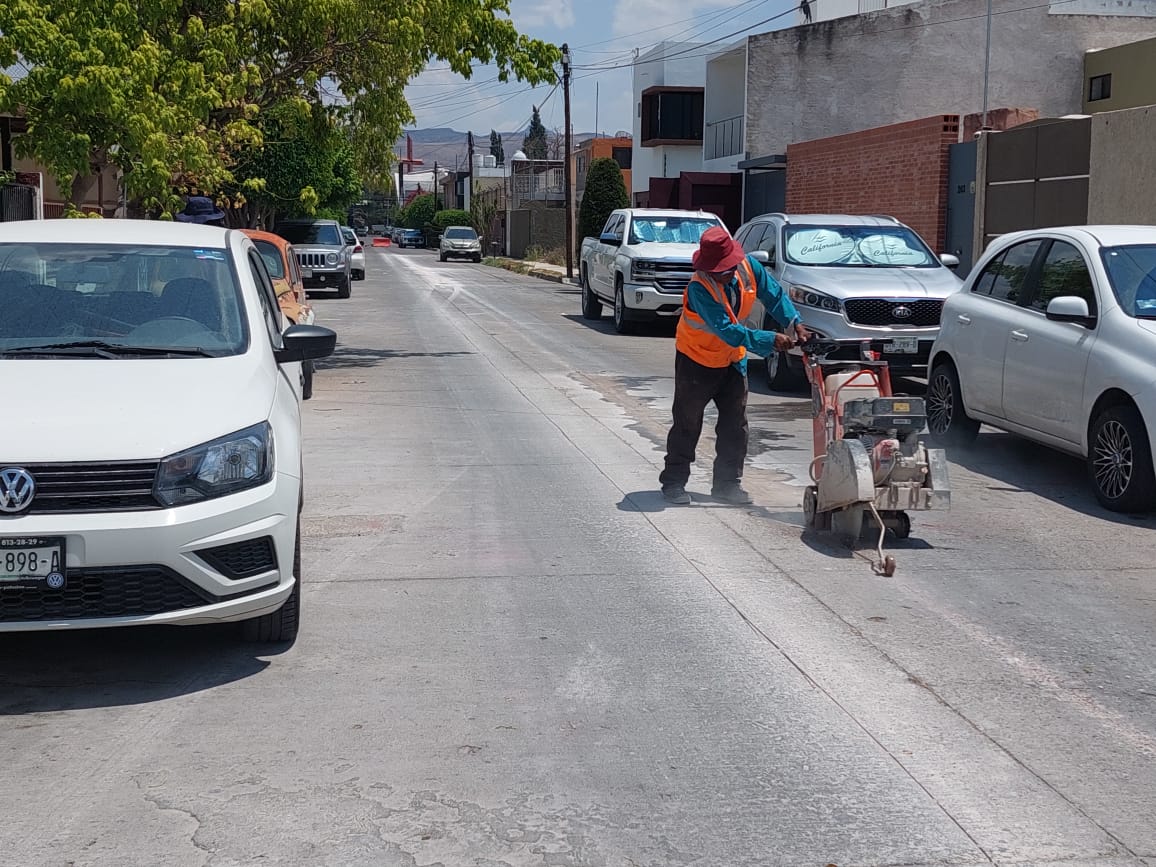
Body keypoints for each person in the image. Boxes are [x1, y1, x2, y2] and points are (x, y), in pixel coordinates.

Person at [660, 226, 809, 506]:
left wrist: (794, 321)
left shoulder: (747, 267)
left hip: (732, 360)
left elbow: (774, 294)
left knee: (734, 425)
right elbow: (727, 329)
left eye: (726, 269)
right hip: (697, 360)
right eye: (718, 271)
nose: (724, 274)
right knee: (687, 423)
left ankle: (727, 484)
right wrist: (770, 340)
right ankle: (673, 482)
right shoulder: (699, 288)